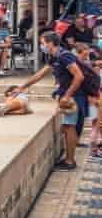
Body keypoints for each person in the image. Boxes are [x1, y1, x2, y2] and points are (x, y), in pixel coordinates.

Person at [13, 31, 89, 171]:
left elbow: (79, 76)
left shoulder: (65, 56)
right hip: (69, 96)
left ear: (50, 43)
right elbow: (40, 74)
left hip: (74, 97)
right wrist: (22, 87)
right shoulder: (54, 58)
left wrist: (67, 95)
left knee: (69, 127)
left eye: (43, 43)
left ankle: (70, 161)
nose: (42, 46)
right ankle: (69, 158)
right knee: (67, 127)